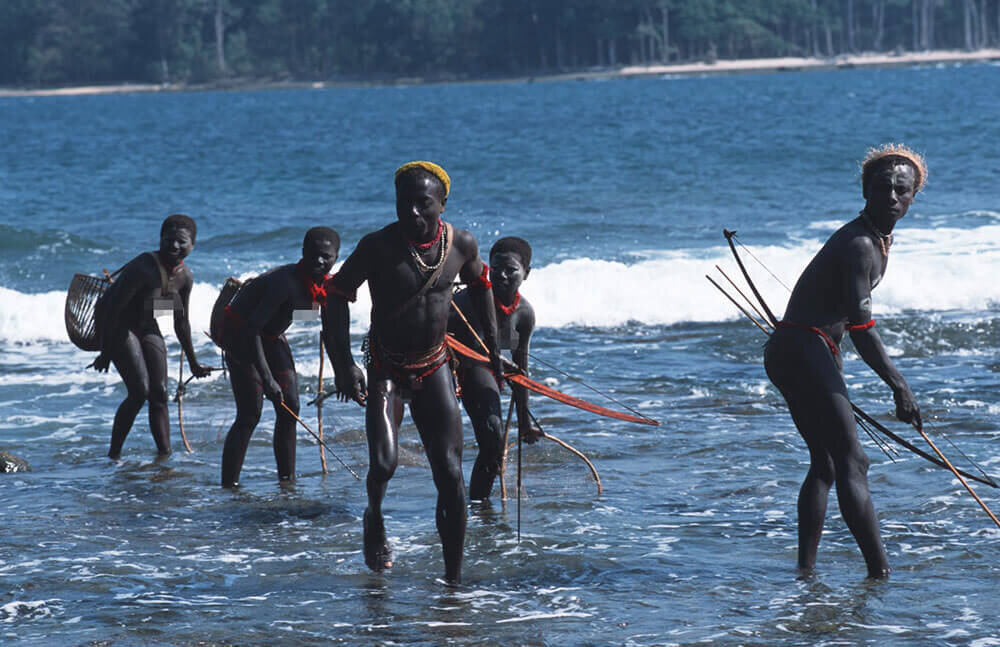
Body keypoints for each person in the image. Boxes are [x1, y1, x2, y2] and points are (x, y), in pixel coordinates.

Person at [323, 161, 501, 584]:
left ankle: (453, 582)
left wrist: (494, 355)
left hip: (436, 364)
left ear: (442, 203)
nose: (414, 214)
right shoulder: (377, 246)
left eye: (424, 205)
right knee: (383, 465)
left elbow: (482, 287)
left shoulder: (461, 244)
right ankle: (375, 518)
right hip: (387, 368)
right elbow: (335, 296)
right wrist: (344, 365)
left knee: (451, 475)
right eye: (405, 205)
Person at [763, 144, 927, 578]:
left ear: (913, 197)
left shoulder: (877, 239)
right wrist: (900, 387)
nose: (892, 196)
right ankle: (880, 573)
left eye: (901, 190)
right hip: (803, 348)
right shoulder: (859, 245)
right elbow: (861, 328)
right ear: (865, 192)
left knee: (829, 463)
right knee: (853, 461)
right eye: (882, 188)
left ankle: (805, 573)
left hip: (799, 349)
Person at [215, 227, 341, 488]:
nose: (320, 262)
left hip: (270, 336)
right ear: (303, 253)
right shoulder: (284, 283)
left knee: (290, 408)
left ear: (336, 257)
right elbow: (252, 330)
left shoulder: (324, 285)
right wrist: (267, 379)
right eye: (314, 255)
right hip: (242, 336)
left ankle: (287, 482)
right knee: (250, 414)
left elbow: (300, 316)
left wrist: (343, 372)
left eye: (326, 257)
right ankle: (229, 486)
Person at [92, 214, 211, 458]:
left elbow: (181, 321)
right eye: (169, 240)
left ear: (193, 246)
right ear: (160, 240)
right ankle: (113, 455)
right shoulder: (143, 268)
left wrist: (193, 362)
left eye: (182, 242)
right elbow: (113, 309)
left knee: (159, 392)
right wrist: (105, 352)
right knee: (139, 392)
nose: (174, 246)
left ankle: (164, 456)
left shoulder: (185, 278)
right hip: (118, 325)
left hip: (147, 323)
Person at [449, 236, 542, 502]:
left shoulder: (523, 314)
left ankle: (479, 508)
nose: (501, 276)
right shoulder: (476, 298)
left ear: (527, 274)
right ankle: (472, 504)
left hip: (485, 370)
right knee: (488, 440)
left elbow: (520, 369)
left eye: (511, 270)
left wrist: (524, 423)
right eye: (495, 268)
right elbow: (475, 352)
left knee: (493, 447)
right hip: (456, 365)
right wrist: (500, 364)